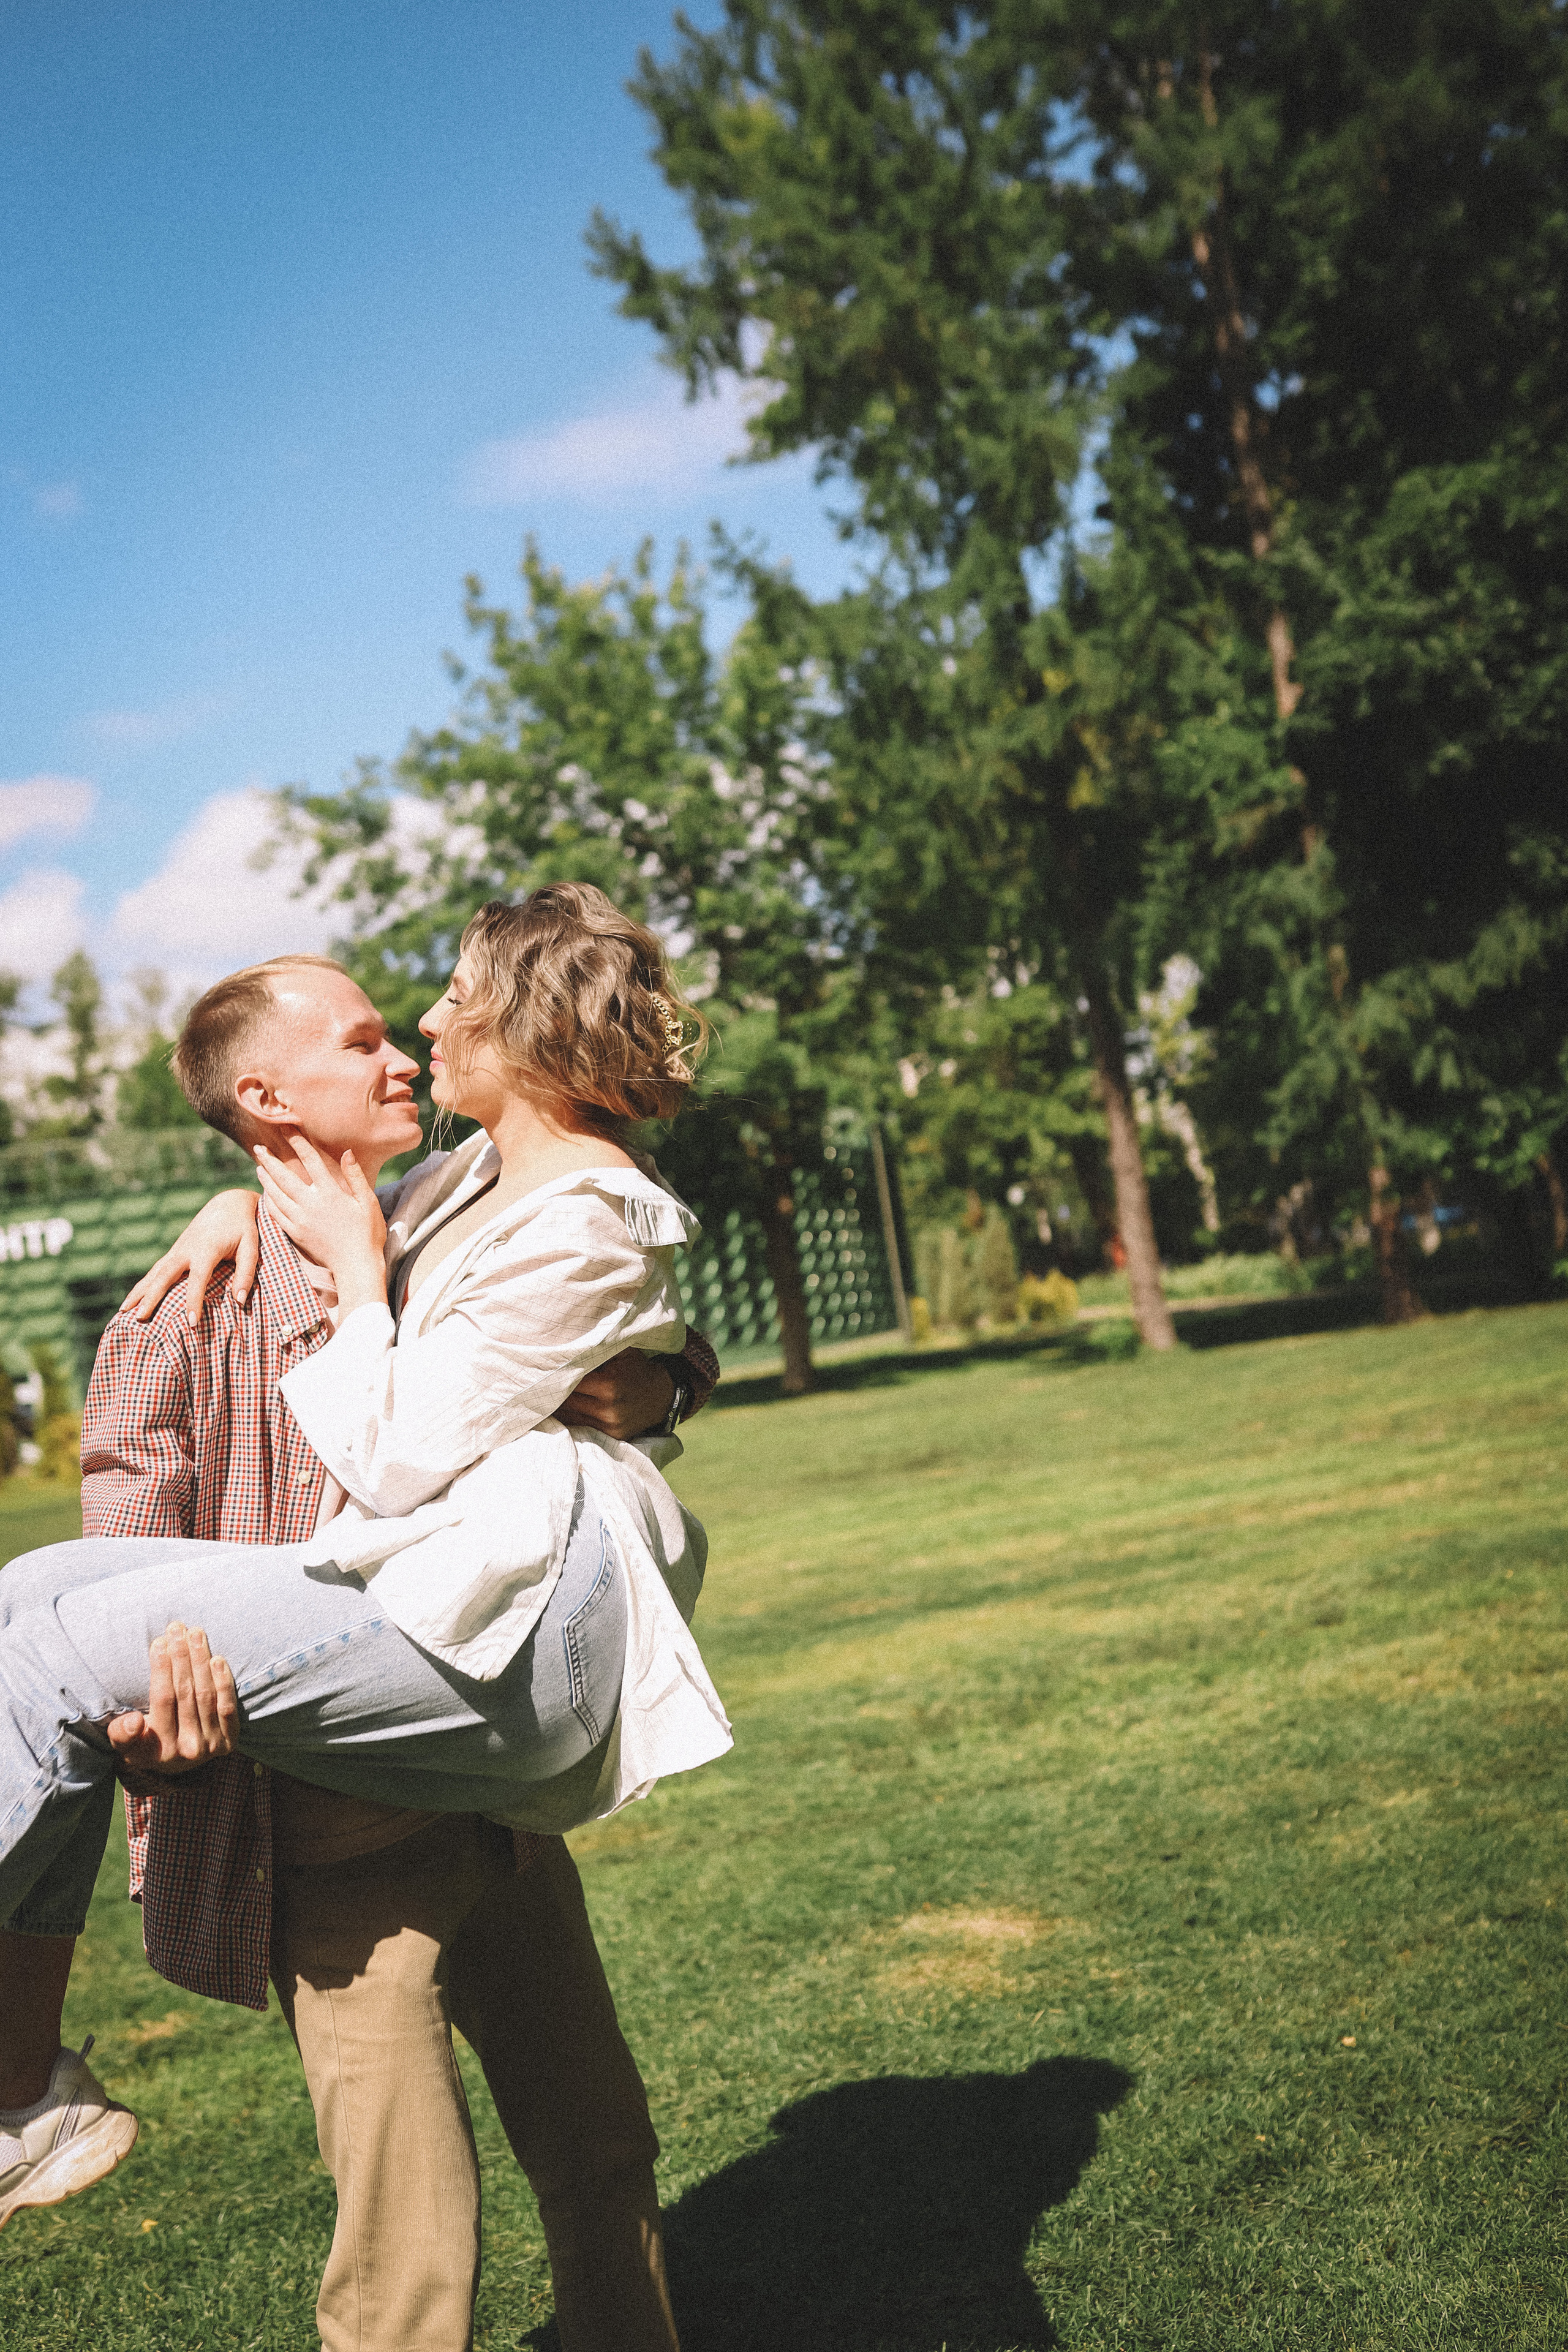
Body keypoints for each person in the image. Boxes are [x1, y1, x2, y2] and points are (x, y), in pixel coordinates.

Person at [0, 888, 731, 2323]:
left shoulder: (429, 1206)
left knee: (601, 2157)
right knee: (409, 2254)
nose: (411, 1043)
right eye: (366, 1037)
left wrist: (671, 1378)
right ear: (270, 1099)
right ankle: (24, 2086)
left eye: (429, 1016)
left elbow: (575, 1296)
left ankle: (19, 2088)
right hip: (329, 1839)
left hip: (480, 1774)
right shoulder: (177, 1310)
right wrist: (150, 1732)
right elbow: (136, 1552)